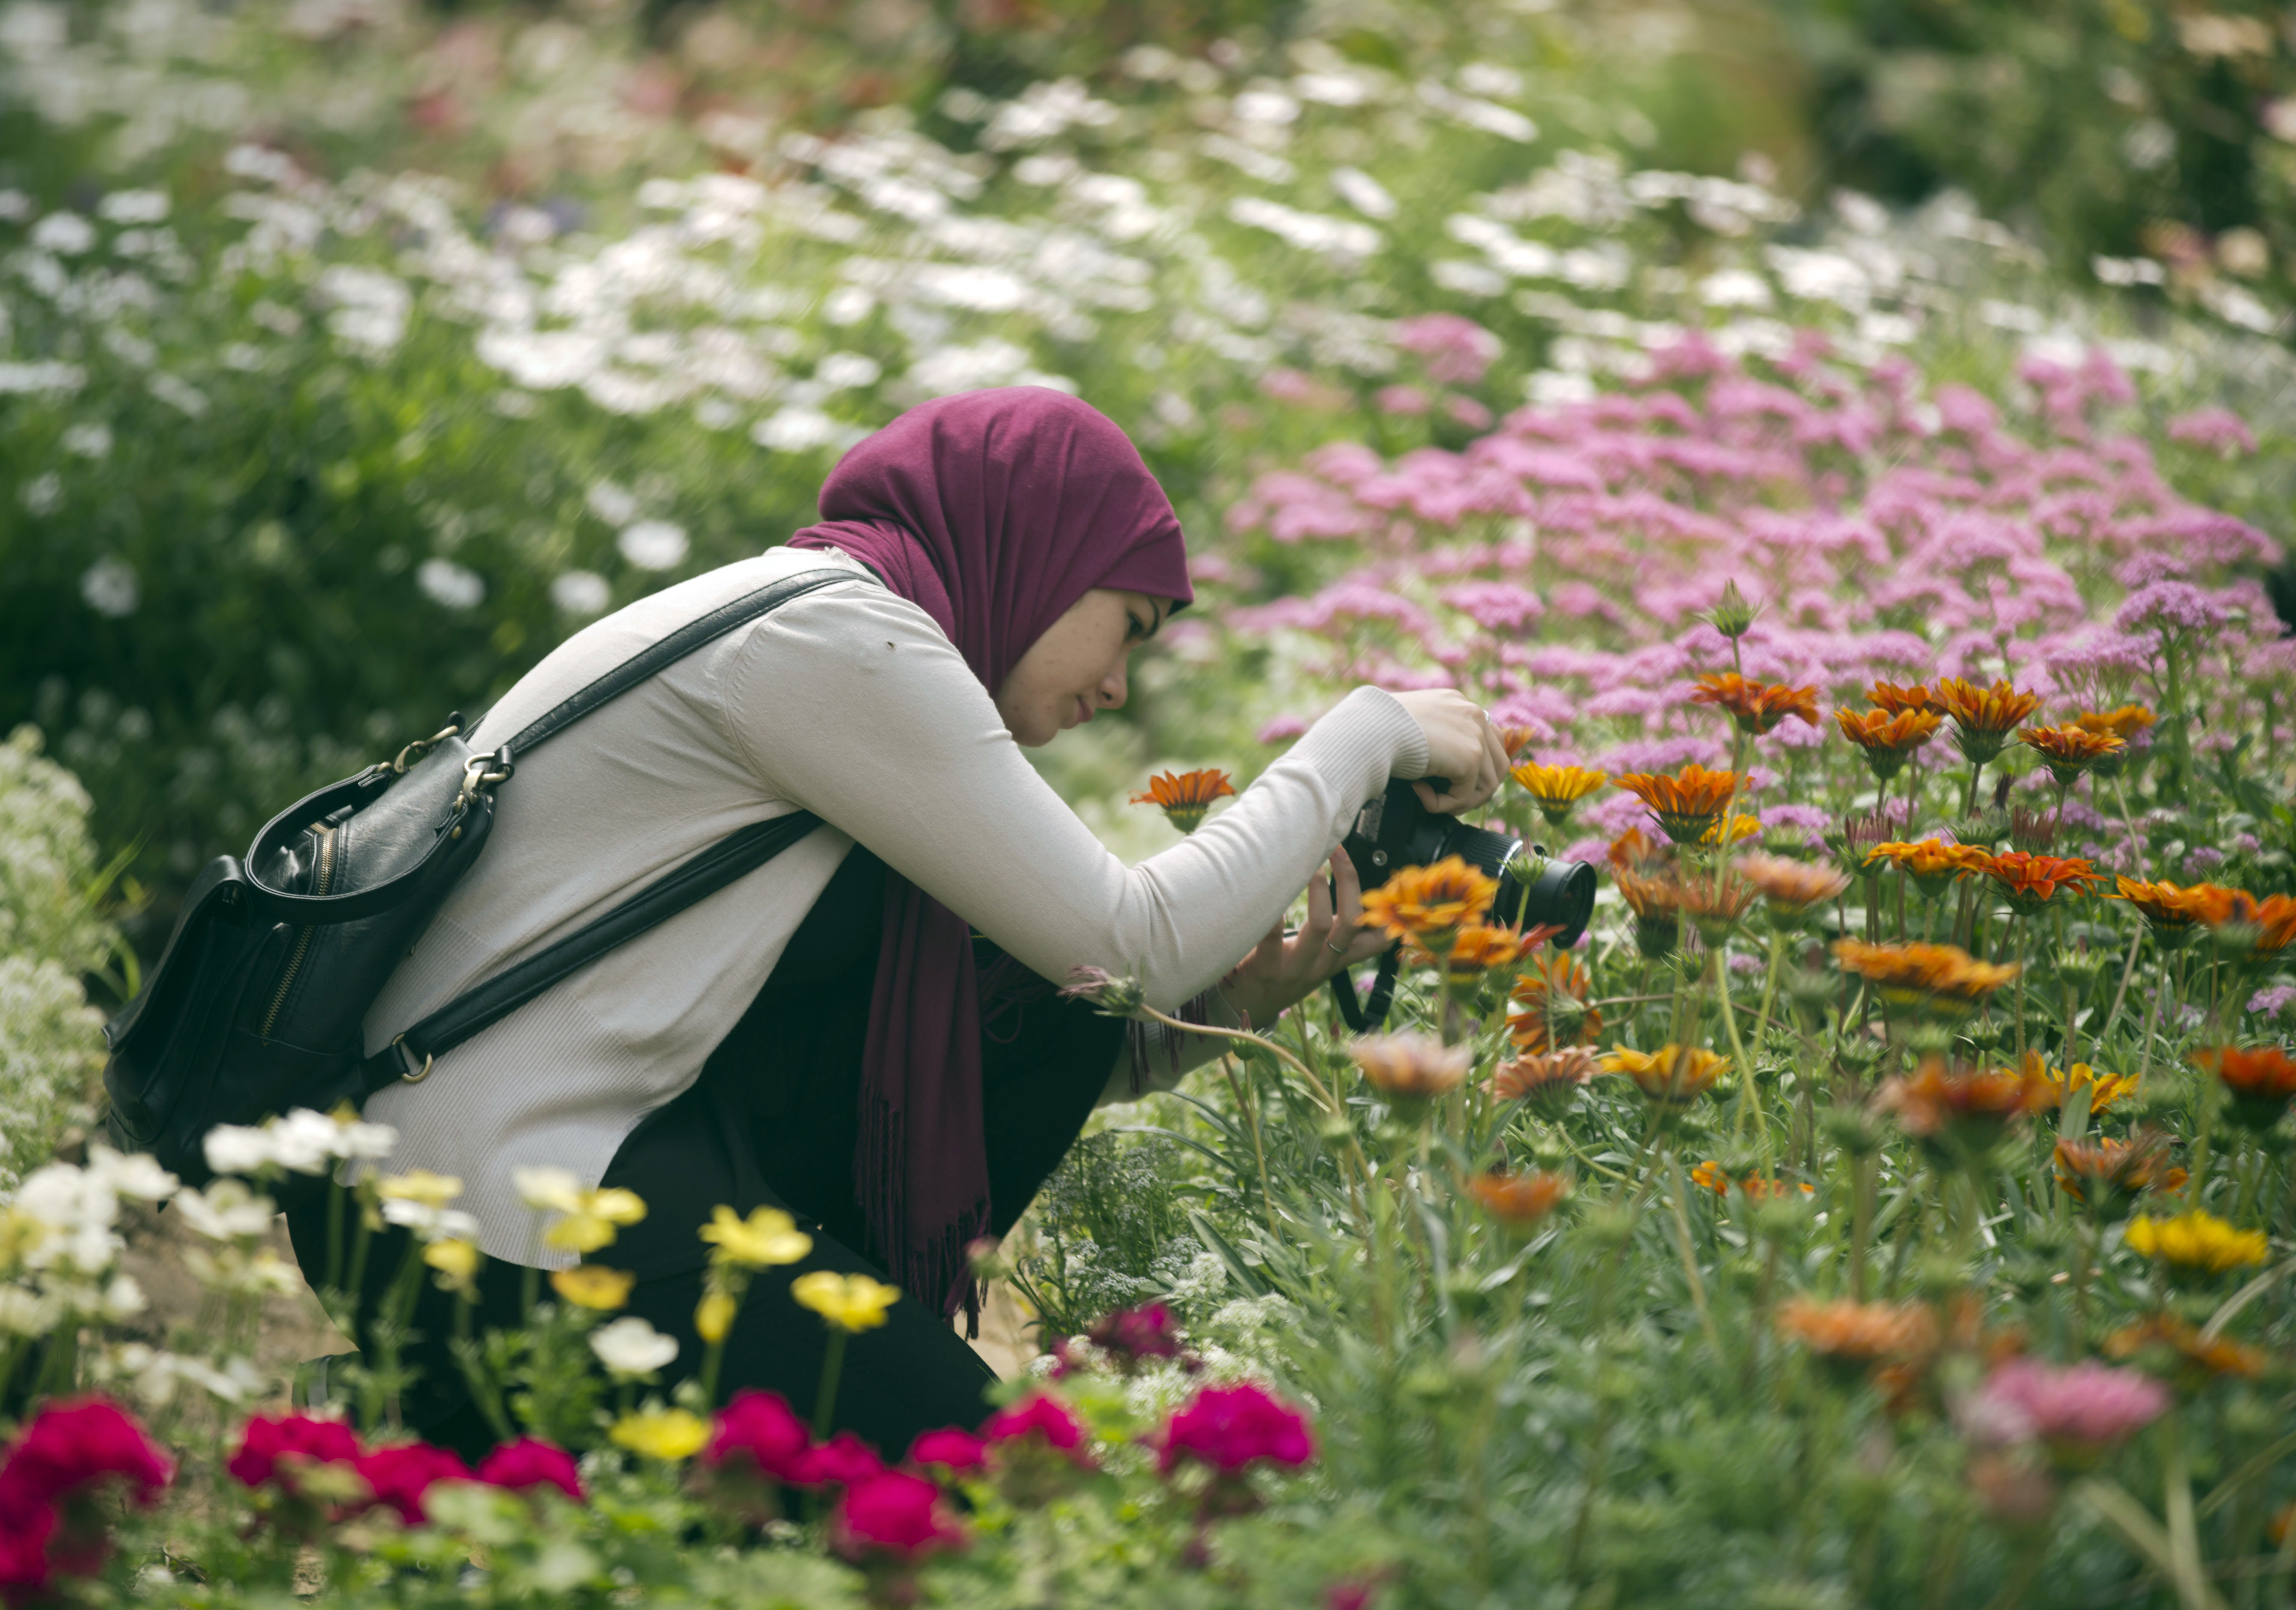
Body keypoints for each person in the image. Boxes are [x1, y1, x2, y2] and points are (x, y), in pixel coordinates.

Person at [286, 386, 1507, 1458]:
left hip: (492, 1181)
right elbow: (1129, 942)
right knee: (990, 1495)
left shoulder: (827, 630)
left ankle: (458, 1424)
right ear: (1033, 546)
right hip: (491, 1208)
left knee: (886, 1501)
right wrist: (1366, 729)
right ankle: (457, 1409)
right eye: (1126, 624)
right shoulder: (832, 635)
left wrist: (1233, 1006)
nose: (1119, 684)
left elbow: (987, 1024)